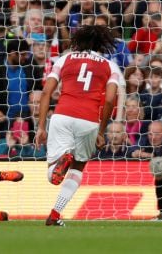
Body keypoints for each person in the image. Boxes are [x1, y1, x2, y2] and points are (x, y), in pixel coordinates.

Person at [36, 25, 122, 226]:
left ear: (78, 41)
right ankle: (55, 214)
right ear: (102, 44)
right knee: (79, 166)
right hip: (89, 120)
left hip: (62, 115)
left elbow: (47, 92)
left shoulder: (65, 58)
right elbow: (110, 100)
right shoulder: (111, 66)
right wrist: (101, 131)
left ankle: (62, 160)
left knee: (52, 175)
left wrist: (41, 127)